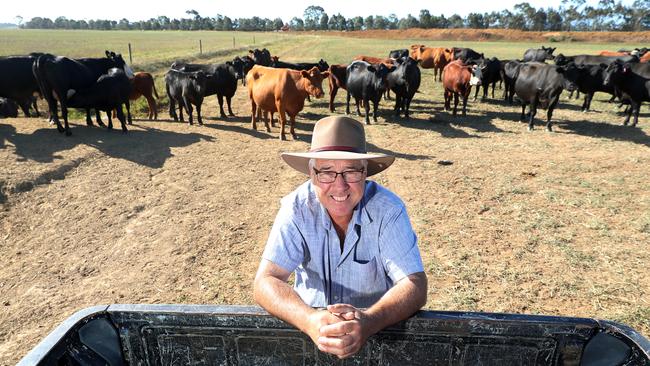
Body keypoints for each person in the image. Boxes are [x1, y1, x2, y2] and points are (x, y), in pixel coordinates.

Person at [253, 116, 427, 359]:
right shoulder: (296, 208)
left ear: (365, 173)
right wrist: (310, 319)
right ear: (311, 174)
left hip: (377, 338)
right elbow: (265, 282)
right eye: (326, 172)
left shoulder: (388, 210)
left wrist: (369, 321)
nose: (339, 186)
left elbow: (415, 284)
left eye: (351, 171)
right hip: (311, 338)